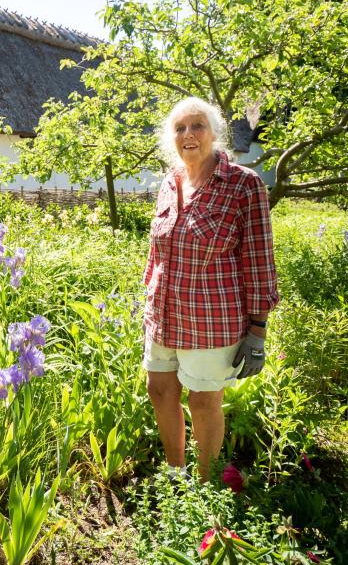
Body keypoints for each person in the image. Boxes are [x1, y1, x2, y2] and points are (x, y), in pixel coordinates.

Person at [143, 97, 279, 483]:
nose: (189, 134)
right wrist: (147, 294)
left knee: (203, 401)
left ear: (215, 132)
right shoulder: (170, 183)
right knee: (159, 389)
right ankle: (174, 473)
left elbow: (258, 261)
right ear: (172, 138)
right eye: (180, 128)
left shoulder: (244, 185)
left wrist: (257, 332)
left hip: (210, 320)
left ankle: (205, 483)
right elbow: (157, 249)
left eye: (197, 125)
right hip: (162, 312)